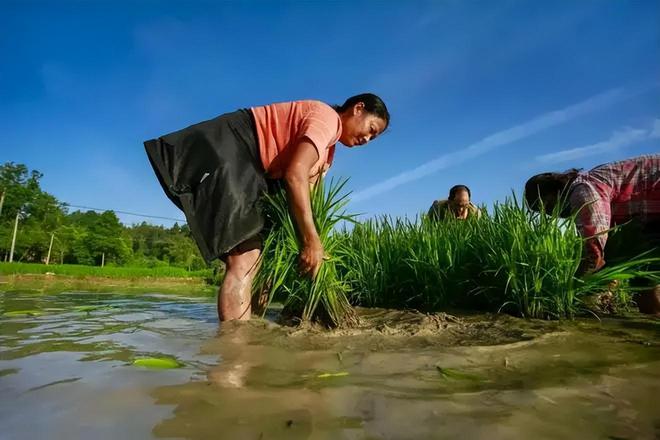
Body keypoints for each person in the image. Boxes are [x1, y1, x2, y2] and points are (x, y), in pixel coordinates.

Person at [144, 94, 390, 321]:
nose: (367, 139)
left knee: (264, 262)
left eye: (374, 138)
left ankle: (251, 331)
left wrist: (308, 245)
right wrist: (311, 241)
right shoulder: (327, 119)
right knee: (245, 260)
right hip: (237, 146)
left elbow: (307, 199)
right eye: (371, 129)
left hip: (255, 170)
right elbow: (295, 175)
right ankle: (235, 351)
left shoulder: (328, 153)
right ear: (358, 109)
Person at [524, 154, 660, 314]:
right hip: (652, 217)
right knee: (643, 271)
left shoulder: (582, 189)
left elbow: (593, 245)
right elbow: (608, 245)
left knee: (645, 267)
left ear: (552, 194)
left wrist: (577, 289)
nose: (550, 214)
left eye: (546, 207)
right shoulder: (591, 181)